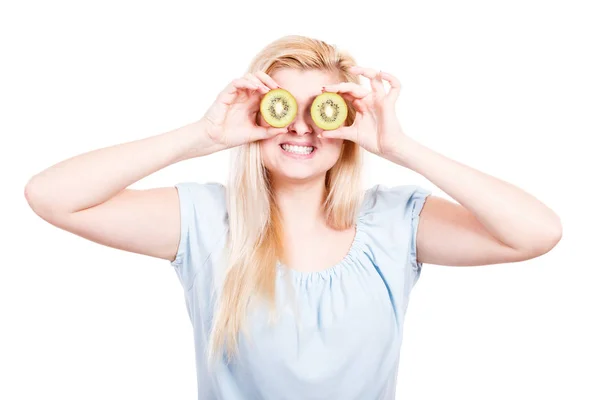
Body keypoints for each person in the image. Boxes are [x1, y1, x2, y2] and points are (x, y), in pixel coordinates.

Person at [24, 35, 563, 399]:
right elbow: (51, 195)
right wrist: (202, 135)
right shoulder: (208, 221)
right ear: (259, 115)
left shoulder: (395, 224)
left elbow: (538, 233)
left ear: (348, 122)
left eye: (324, 109)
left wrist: (399, 147)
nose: (302, 127)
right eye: (284, 106)